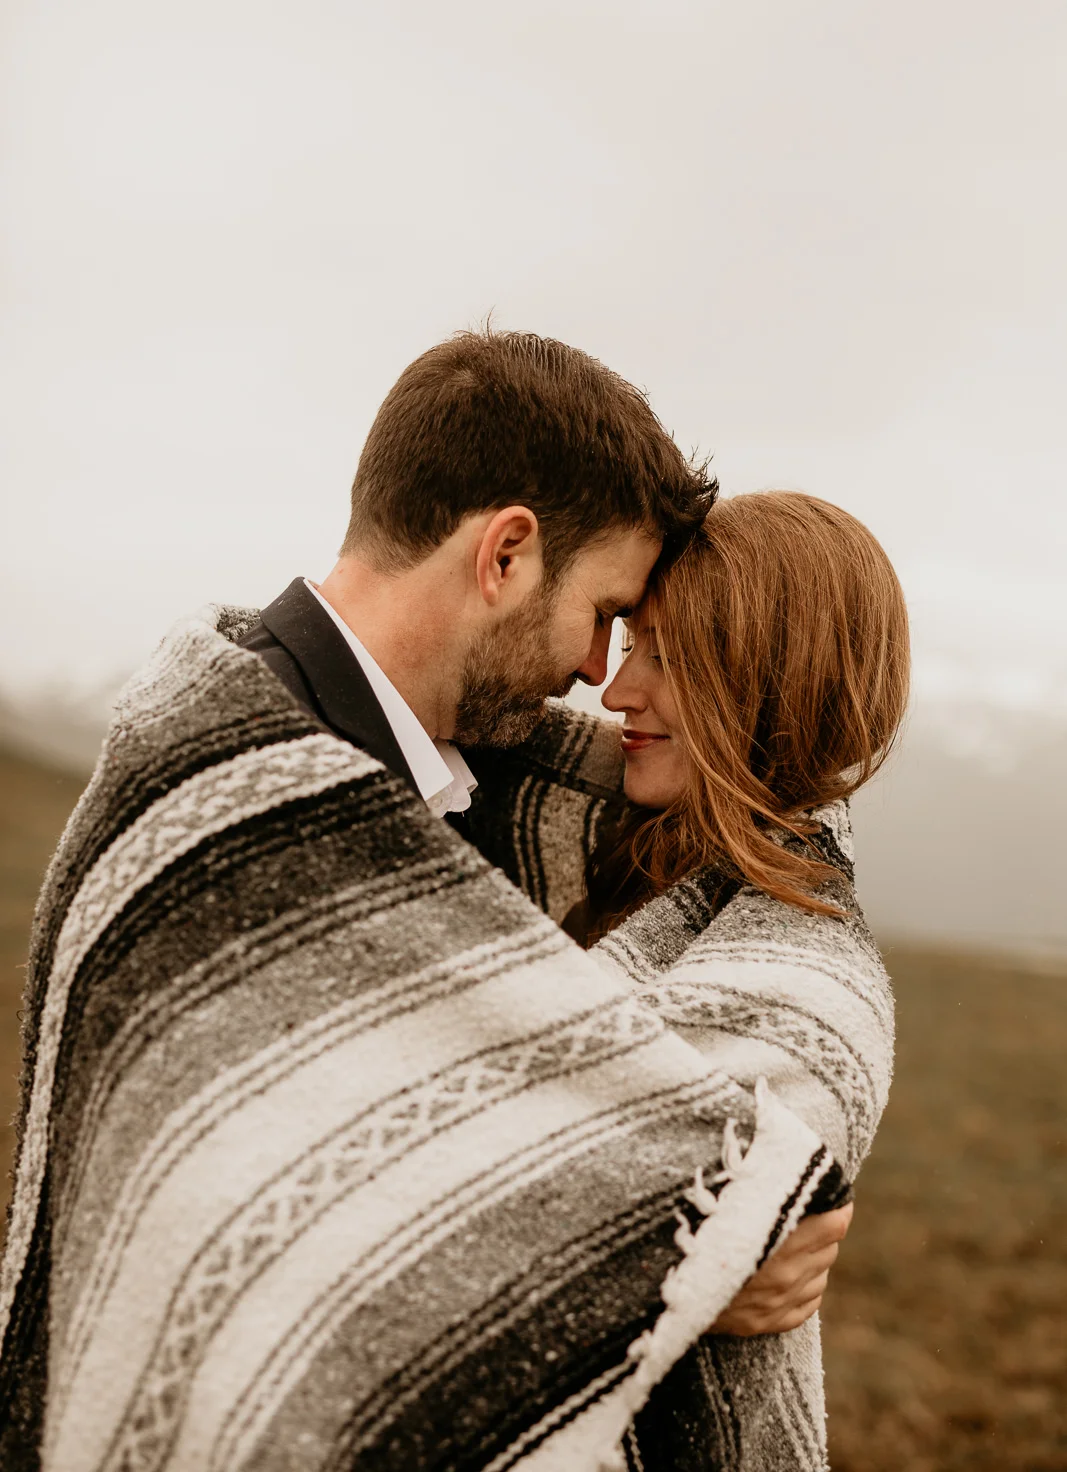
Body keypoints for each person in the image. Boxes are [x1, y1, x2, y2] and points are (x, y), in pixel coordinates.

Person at [1, 332, 849, 1472]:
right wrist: (692, 1242)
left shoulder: (412, 771)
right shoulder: (223, 804)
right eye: (605, 610)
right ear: (505, 552)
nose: (601, 671)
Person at [460, 489, 908, 1468]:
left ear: (774, 686)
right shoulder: (605, 847)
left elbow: (523, 1237)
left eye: (666, 658)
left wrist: (676, 1260)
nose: (616, 693)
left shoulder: (803, 985)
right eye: (629, 646)